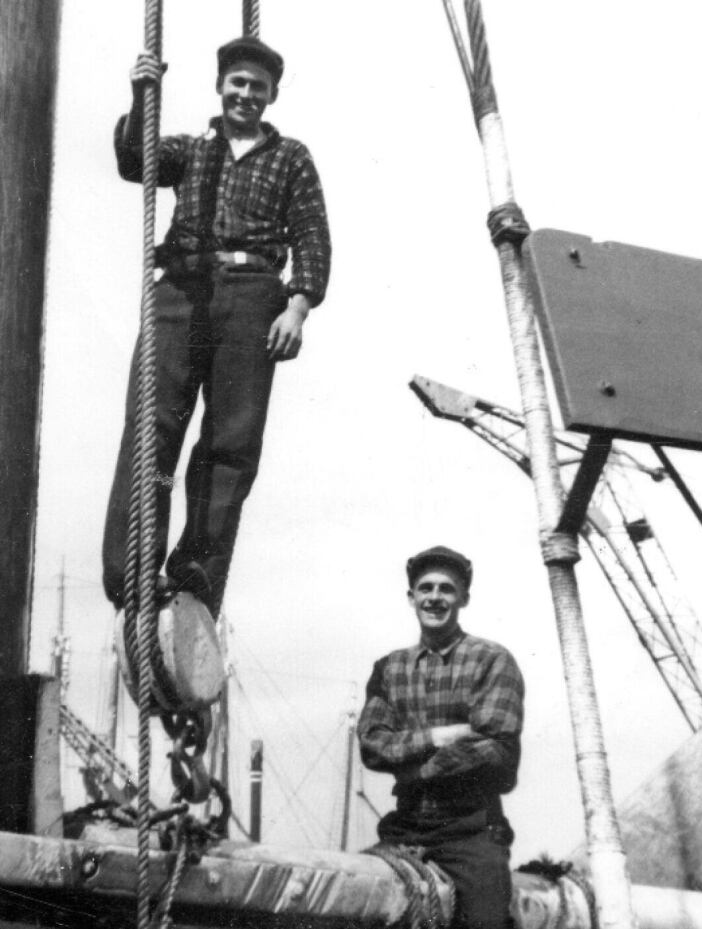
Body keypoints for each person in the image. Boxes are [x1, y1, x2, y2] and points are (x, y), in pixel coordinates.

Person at [102, 36, 331, 617]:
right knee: (153, 425)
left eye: (258, 86)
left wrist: (297, 307)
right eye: (238, 83)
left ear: (272, 94)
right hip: (182, 290)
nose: (246, 95)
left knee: (232, 442)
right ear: (220, 86)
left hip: (254, 296)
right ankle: (132, 567)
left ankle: (196, 574)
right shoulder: (193, 149)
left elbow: (311, 234)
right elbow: (136, 160)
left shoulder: (292, 157)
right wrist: (141, 88)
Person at [358, 546, 524, 929]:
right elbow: (372, 747)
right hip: (404, 828)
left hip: (469, 830)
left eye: (446, 589)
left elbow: (497, 751)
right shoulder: (389, 668)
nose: (435, 597)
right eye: (425, 588)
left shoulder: (492, 660)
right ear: (411, 597)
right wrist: (439, 736)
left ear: (463, 597)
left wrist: (413, 767)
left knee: (486, 921)